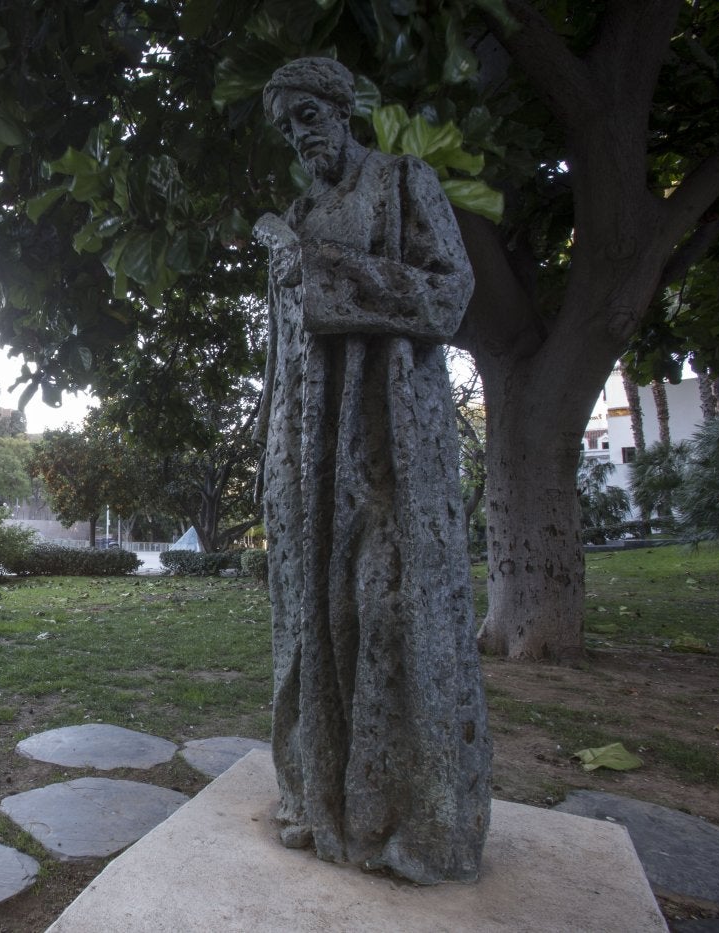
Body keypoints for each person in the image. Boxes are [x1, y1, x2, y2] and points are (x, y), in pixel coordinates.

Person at [256, 57, 491, 884]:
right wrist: (271, 456)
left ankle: (408, 816)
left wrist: (324, 276)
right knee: (315, 624)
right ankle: (325, 803)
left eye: (307, 118)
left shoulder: (401, 184)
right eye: (286, 128)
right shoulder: (297, 211)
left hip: (388, 440)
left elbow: (449, 292)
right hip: (310, 452)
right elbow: (283, 352)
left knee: (389, 611)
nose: (299, 137)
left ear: (339, 108)